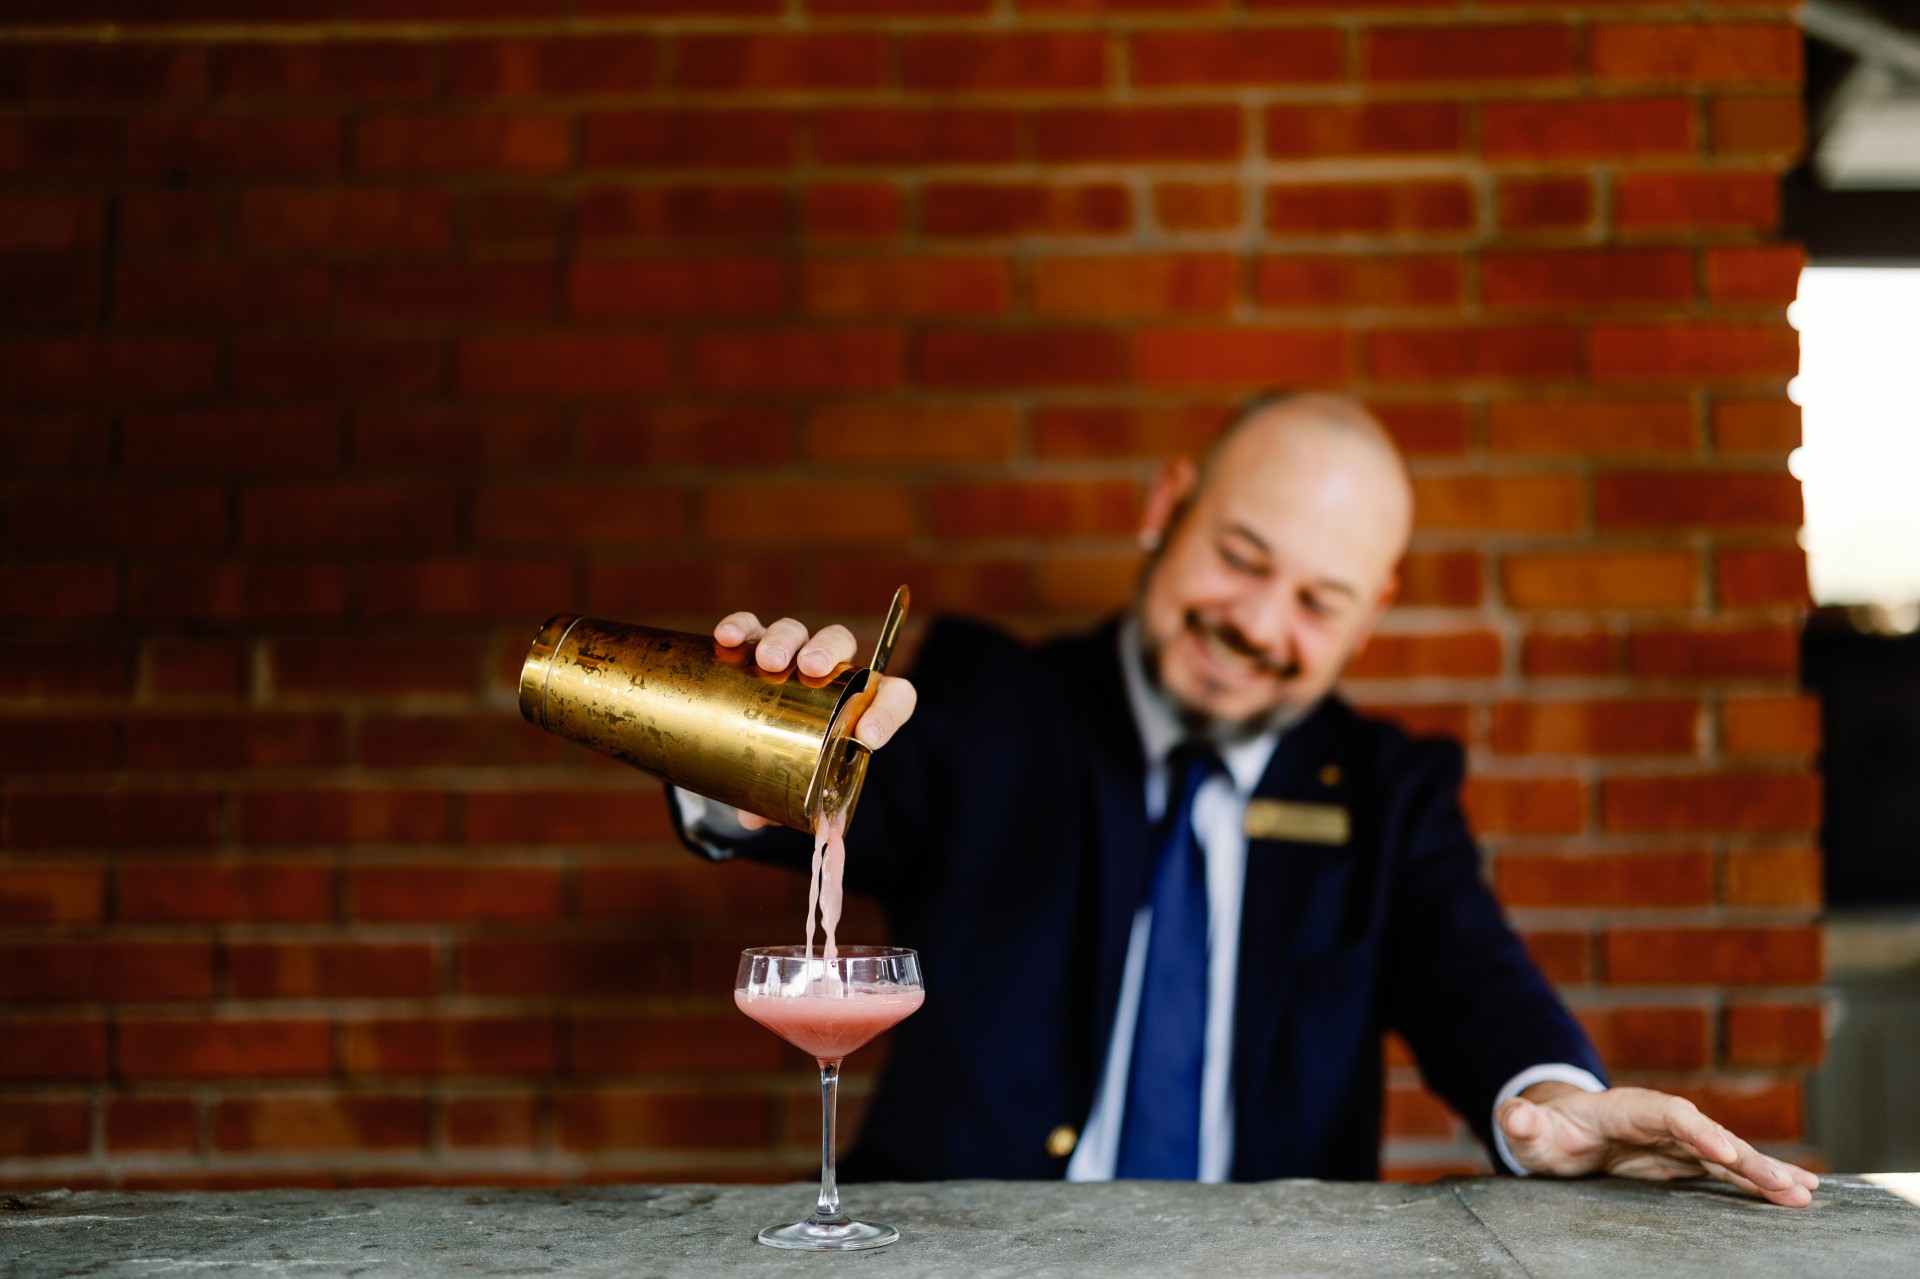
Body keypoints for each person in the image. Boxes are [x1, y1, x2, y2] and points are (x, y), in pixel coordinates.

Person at [669, 392, 1819, 1207]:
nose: (1262, 625)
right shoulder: (981, 700)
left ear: (1370, 618)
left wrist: (1555, 1098)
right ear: (1167, 505)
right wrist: (751, 750)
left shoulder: (1386, 791)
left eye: (1320, 600)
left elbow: (1470, 974)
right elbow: (836, 788)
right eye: (1242, 556)